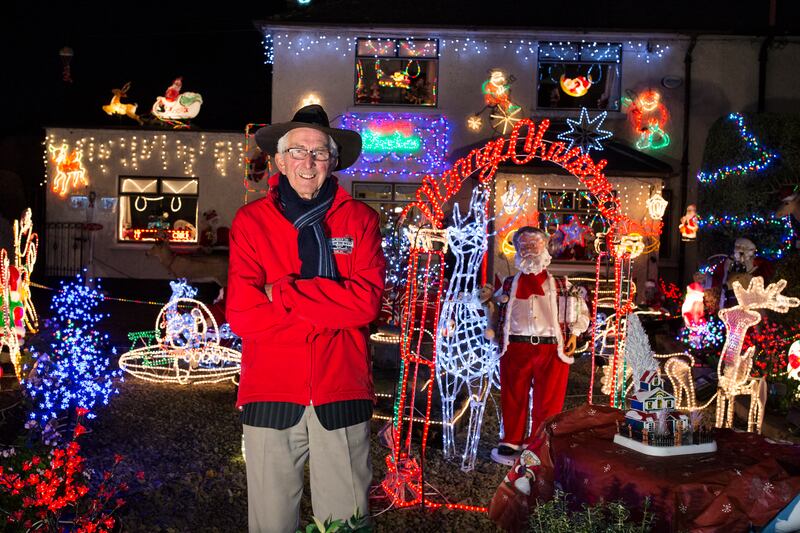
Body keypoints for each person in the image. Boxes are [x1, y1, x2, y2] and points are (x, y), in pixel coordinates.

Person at [226, 104, 386, 533]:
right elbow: (241, 313)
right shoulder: (250, 222)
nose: (308, 162)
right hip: (270, 390)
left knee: (345, 523)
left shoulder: (361, 221)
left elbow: (366, 305)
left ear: (333, 161)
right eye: (298, 151)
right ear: (278, 161)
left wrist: (282, 292)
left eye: (319, 152)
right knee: (270, 523)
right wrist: (333, 306)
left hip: (342, 387)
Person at [490, 226, 589, 466]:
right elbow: (495, 311)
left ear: (544, 248)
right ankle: (511, 440)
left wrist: (574, 334)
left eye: (534, 245)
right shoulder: (508, 284)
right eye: (524, 246)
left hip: (550, 348)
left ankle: (540, 441)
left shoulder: (561, 284)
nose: (530, 251)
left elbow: (578, 311)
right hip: (516, 347)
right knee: (513, 395)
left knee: (549, 399)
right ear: (517, 250)